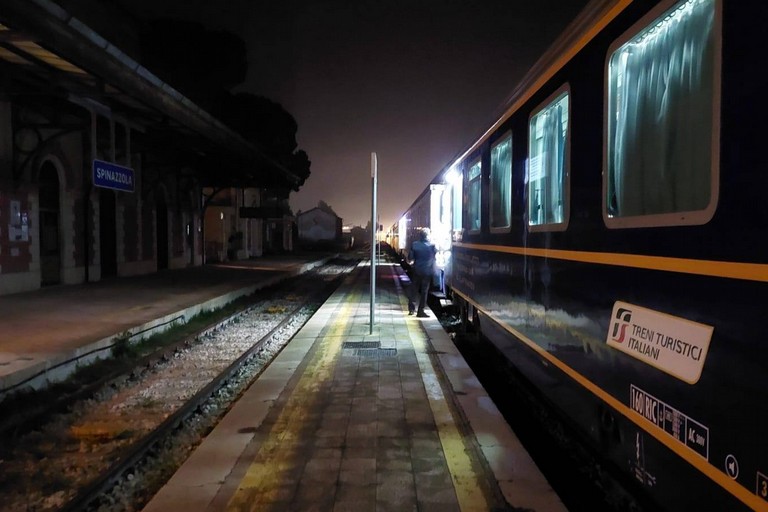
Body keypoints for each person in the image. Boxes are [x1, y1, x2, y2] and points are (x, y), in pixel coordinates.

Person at [408, 228, 436, 318]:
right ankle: (421, 311)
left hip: (417, 270)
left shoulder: (414, 244)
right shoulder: (432, 246)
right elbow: (435, 256)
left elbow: (410, 258)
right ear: (427, 235)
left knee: (414, 290)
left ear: (420, 235)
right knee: (424, 292)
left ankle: (411, 309)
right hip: (427, 272)